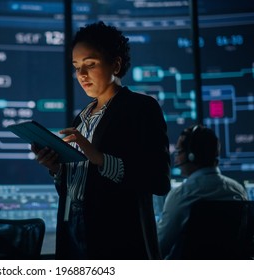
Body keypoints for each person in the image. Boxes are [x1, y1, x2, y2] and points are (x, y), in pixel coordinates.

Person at [31, 21, 171, 259]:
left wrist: (99, 158)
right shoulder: (81, 118)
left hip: (118, 238)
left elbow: (159, 180)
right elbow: (80, 188)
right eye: (77, 67)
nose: (81, 75)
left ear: (115, 64)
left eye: (90, 64)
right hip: (73, 230)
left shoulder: (141, 108)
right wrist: (56, 169)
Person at [156, 124, 247, 259]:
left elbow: (159, 247)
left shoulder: (181, 195)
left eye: (179, 152)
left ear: (192, 156)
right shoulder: (237, 191)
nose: (176, 158)